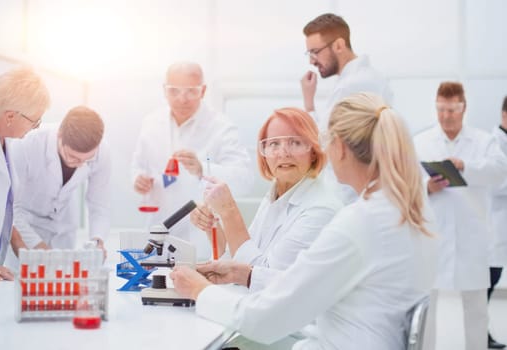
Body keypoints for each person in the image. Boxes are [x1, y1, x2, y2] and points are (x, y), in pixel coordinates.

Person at [170, 92, 437, 350]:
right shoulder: (405, 211)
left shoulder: (358, 224)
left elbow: (264, 320)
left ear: (340, 148)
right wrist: (247, 274)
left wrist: (199, 290)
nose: (283, 152)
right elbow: (307, 284)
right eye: (273, 144)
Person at [190, 107, 342, 292]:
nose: (283, 153)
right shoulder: (275, 195)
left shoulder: (321, 209)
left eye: (295, 142)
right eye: (274, 144)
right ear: (264, 153)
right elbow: (236, 261)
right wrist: (213, 225)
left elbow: (261, 276)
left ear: (313, 151)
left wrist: (229, 212)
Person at [414, 82, 507, 350]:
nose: (446, 116)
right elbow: (408, 182)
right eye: (441, 110)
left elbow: (499, 171)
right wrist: (426, 187)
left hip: (472, 236)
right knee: (426, 306)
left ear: (463, 108)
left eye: (452, 110)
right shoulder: (422, 142)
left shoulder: (483, 141)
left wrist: (466, 166)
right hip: (434, 234)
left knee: (476, 309)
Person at [132, 62, 252, 260]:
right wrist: (138, 179)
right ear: (164, 91)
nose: (182, 99)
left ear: (203, 91)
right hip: (157, 234)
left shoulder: (222, 127)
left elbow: (244, 180)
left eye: (190, 91)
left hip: (200, 239)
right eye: (174, 91)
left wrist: (201, 169)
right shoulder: (150, 123)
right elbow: (138, 165)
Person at [10, 106, 111, 257]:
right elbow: (11, 206)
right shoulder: (27, 143)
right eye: (73, 157)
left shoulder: (102, 151)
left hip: (64, 230)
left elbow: (99, 204)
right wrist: (38, 246)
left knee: (64, 277)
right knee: (25, 278)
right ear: (59, 135)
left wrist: (97, 241)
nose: (80, 164)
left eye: (87, 160)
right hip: (25, 228)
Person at [0, 66, 50, 281]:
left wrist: (19, 244)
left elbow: (0, 202)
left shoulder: (0, 139)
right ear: (10, 116)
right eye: (34, 121)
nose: (35, 127)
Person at [300, 13, 393, 132]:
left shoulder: (350, 86)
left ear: (338, 46)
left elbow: (321, 141)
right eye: (309, 54)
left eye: (315, 52)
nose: (311, 61)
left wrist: (308, 103)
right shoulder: (369, 76)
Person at [487, 95, 507, 349]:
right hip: (495, 222)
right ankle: (481, 331)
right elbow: (494, 181)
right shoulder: (494, 144)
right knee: (491, 277)